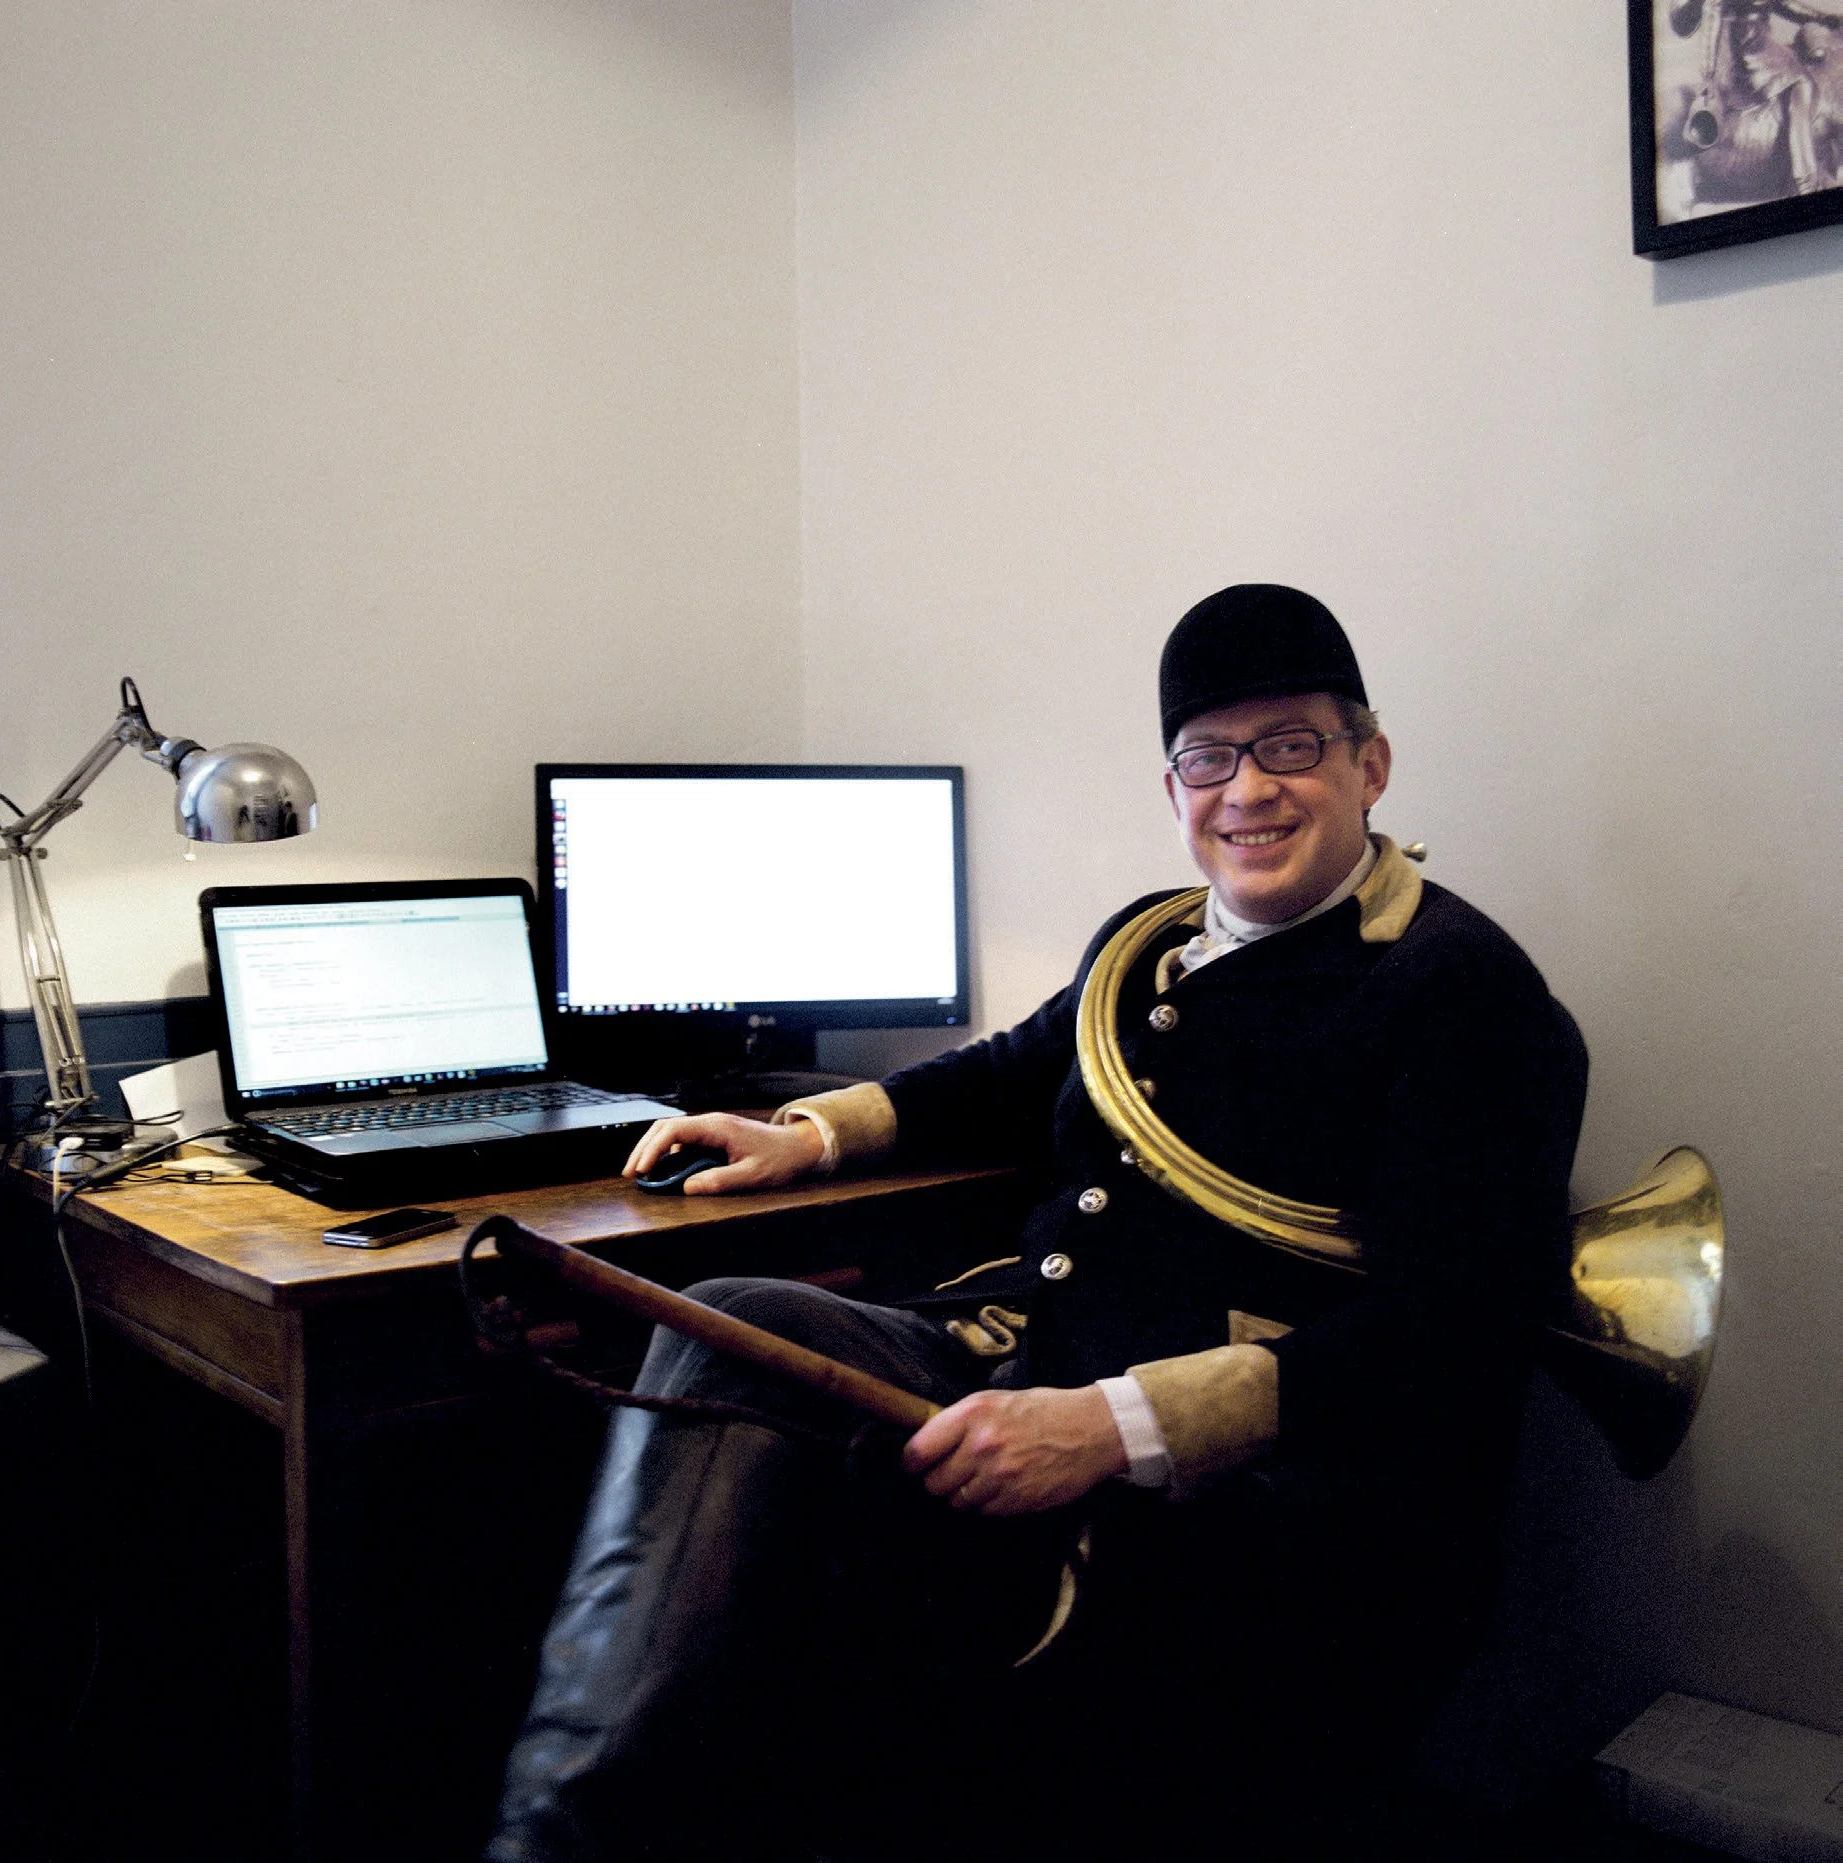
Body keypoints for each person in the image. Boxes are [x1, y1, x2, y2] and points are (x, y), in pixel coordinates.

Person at [483, 585, 1589, 1863]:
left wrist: (1109, 1428)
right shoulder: (1150, 945)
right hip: (1025, 1358)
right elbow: (1008, 1071)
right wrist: (809, 1135)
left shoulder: (1465, 996)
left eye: (1290, 746)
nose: (1249, 793)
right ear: (1172, 787)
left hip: (1258, 1499)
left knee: (813, 1577)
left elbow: (1451, 1336)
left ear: (1370, 764)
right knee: (733, 1322)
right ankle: (563, 1828)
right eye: (1208, 758)